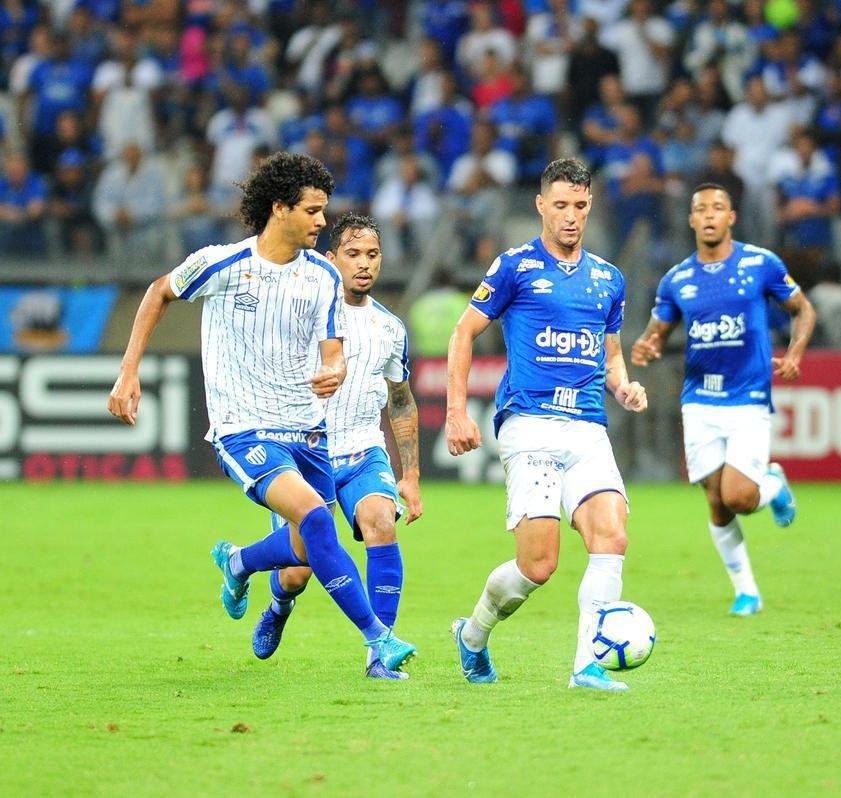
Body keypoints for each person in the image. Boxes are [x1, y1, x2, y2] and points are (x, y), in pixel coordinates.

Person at [107, 152, 414, 674]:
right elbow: (160, 292)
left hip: (307, 429)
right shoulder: (224, 263)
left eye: (324, 211)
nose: (322, 221)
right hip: (244, 427)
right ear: (279, 208)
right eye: (313, 211)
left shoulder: (322, 275)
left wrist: (334, 369)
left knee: (301, 555)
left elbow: (332, 348)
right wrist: (129, 370)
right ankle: (378, 640)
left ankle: (238, 562)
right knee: (318, 520)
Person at [444, 158, 648, 691]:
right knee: (537, 566)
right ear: (541, 206)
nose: (571, 216)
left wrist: (623, 385)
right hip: (529, 425)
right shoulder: (513, 266)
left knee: (612, 536)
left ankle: (588, 666)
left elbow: (610, 355)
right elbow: (463, 333)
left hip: (586, 427)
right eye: (560, 205)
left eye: (580, 206)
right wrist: (457, 410)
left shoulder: (609, 278)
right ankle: (473, 634)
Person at [248, 213, 424, 680]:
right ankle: (276, 602)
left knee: (381, 523)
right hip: (307, 456)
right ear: (331, 259)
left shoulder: (391, 328)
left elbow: (401, 400)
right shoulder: (303, 316)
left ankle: (380, 653)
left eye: (372, 255)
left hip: (365, 452)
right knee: (297, 570)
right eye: (352, 254)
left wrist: (411, 475)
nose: (364, 264)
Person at [630, 183, 814, 616]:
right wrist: (645, 346)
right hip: (699, 402)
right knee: (715, 499)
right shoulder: (677, 279)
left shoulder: (760, 263)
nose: (709, 215)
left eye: (718, 208)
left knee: (739, 498)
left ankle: (772, 484)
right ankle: (746, 591)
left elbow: (803, 309)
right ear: (692, 220)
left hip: (748, 398)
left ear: (731, 217)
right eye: (701, 209)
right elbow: (657, 332)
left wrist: (796, 352)